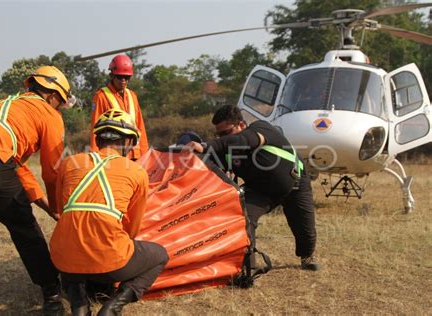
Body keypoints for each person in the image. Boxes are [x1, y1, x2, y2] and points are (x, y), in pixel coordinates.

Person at [0, 65, 76, 315]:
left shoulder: (0, 107)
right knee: (24, 227)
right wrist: (58, 208)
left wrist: (46, 207)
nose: (59, 107)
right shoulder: (48, 113)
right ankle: (53, 295)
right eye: (60, 103)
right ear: (53, 96)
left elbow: (16, 167)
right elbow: (52, 172)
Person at [50, 109, 168, 316]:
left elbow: (61, 210)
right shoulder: (136, 171)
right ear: (130, 142)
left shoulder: (70, 163)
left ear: (97, 138)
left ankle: (79, 302)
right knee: (160, 255)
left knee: (70, 251)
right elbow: (132, 226)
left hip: (62, 259)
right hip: (110, 260)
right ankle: (113, 306)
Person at [183, 104, 320, 271]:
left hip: (294, 183)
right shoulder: (225, 149)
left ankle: (307, 256)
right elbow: (210, 169)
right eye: (219, 135)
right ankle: (246, 268)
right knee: (242, 218)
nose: (222, 139)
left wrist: (206, 146)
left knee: (306, 232)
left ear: (241, 125)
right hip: (260, 191)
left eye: (226, 133)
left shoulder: (260, 129)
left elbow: (244, 140)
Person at [90, 54, 149, 160]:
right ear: (112, 75)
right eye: (120, 76)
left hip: (135, 155)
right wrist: (96, 157)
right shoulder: (101, 96)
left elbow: (140, 127)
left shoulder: (132, 96)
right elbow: (95, 129)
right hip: (114, 156)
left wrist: (145, 155)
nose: (123, 80)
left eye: (127, 77)